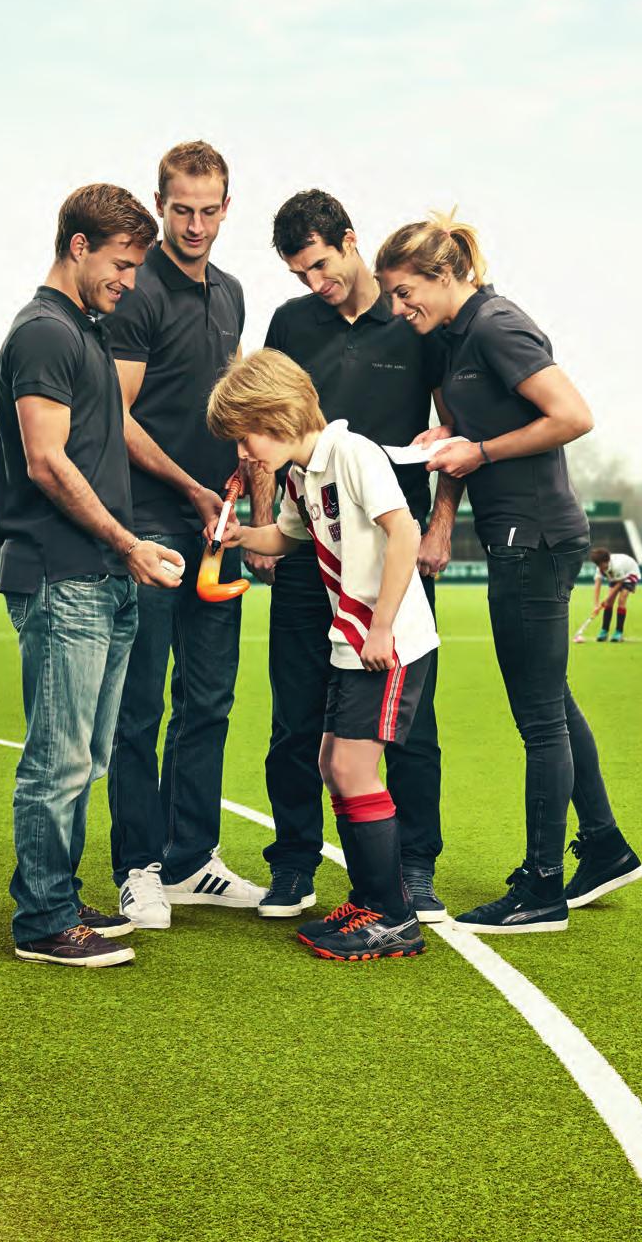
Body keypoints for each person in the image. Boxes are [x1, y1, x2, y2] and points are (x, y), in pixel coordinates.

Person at [375, 212, 642, 928]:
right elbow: (474, 432)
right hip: (516, 533)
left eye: (406, 294)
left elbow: (572, 415)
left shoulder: (496, 324)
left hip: (536, 536)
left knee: (538, 718)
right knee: (550, 698)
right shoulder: (456, 338)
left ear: (442, 274)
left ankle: (542, 886)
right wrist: (450, 454)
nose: (401, 311)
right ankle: (606, 847)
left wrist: (481, 450)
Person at [247, 189, 458, 922]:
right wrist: (260, 520)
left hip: (392, 558)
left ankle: (414, 865)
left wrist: (439, 524)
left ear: (349, 240)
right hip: (311, 545)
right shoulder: (290, 323)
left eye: (321, 265)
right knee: (296, 716)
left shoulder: (411, 319)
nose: (314, 283)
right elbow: (263, 424)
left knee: (409, 723)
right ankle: (294, 863)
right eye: (299, 273)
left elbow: (452, 427)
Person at [0, 183, 180, 967]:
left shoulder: (86, 330)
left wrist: (183, 496)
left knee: (86, 756)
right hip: (62, 573)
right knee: (59, 758)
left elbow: (107, 441)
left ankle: (57, 897)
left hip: (104, 575)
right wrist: (126, 542)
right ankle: (41, 921)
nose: (129, 279)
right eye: (122, 263)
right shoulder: (44, 332)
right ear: (78, 246)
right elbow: (45, 460)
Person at [207, 348, 438, 960]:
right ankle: (371, 901)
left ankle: (391, 916)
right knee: (335, 762)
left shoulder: (353, 454)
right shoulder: (300, 474)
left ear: (280, 414)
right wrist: (237, 536)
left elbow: (405, 531)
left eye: (247, 434)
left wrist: (382, 626)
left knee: (354, 769)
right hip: (350, 643)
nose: (242, 452)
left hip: (386, 643)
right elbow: (288, 537)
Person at [104, 141, 265, 930]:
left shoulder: (231, 293)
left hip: (218, 526)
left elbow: (231, 395)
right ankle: (136, 865)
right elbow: (116, 417)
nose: (196, 225)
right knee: (140, 706)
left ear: (227, 207)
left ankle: (193, 859)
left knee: (209, 699)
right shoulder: (138, 293)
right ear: (161, 204)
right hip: (152, 521)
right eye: (181, 209)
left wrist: (242, 471)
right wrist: (191, 488)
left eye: (209, 210)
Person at [590, 548, 641, 643]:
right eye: (598, 565)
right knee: (609, 603)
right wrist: (596, 605)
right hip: (616, 576)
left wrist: (606, 599)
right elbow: (597, 584)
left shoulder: (617, 566)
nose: (600, 567)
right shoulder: (600, 567)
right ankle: (604, 631)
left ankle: (618, 632)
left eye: (601, 565)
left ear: (607, 561)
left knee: (621, 600)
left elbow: (620, 583)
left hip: (629, 573)